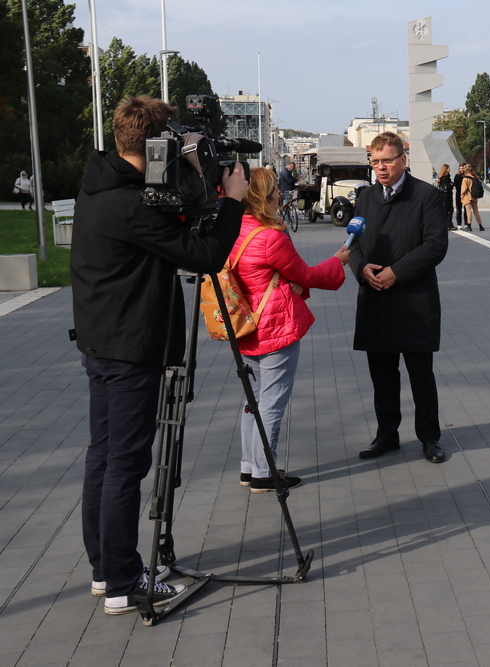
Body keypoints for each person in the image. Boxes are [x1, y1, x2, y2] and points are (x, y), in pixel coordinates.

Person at [70, 95, 250, 614]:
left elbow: (176, 218)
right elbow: (207, 255)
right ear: (156, 145)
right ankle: (125, 583)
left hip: (101, 342)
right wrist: (234, 200)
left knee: (104, 457)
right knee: (126, 465)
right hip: (130, 348)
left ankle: (106, 570)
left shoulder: (100, 184)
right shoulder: (132, 205)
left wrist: (191, 176)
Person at [233, 168, 350, 491]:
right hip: (274, 327)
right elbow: (306, 275)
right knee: (272, 402)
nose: (279, 195)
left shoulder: (234, 230)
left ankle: (249, 466)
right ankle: (264, 471)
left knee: (253, 400)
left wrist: (287, 281)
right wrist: (337, 261)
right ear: (266, 196)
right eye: (275, 190)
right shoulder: (270, 237)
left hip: (245, 325)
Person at [349, 132, 448, 464]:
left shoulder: (427, 195)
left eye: (387, 161)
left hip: (413, 301)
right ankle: (387, 434)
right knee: (382, 376)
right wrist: (361, 268)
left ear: (402, 160)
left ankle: (429, 438)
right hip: (375, 300)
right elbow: (353, 243)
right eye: (375, 161)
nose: (381, 167)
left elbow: (435, 245)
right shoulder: (365, 197)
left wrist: (397, 272)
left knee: (421, 376)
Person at [461, 165, 485, 231]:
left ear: (465, 170)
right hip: (474, 196)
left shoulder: (465, 178)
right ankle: (480, 225)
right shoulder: (475, 177)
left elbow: (463, 189)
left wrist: (461, 196)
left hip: (467, 196)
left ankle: (469, 226)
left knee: (468, 211)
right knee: (476, 211)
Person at [436, 164, 455, 230]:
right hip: (447, 195)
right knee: (450, 209)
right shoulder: (445, 177)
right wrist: (451, 185)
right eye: (448, 168)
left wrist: (451, 184)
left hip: (444, 195)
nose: (450, 170)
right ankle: (448, 224)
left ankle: (447, 224)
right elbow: (449, 186)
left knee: (446, 209)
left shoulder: (441, 177)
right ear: (446, 169)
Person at [453, 163, 467, 229]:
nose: (461, 169)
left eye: (462, 168)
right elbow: (456, 184)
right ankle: (459, 224)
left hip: (466, 194)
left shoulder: (466, 176)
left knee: (466, 209)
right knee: (458, 209)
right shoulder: (457, 176)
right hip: (459, 193)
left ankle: (466, 223)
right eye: (460, 168)